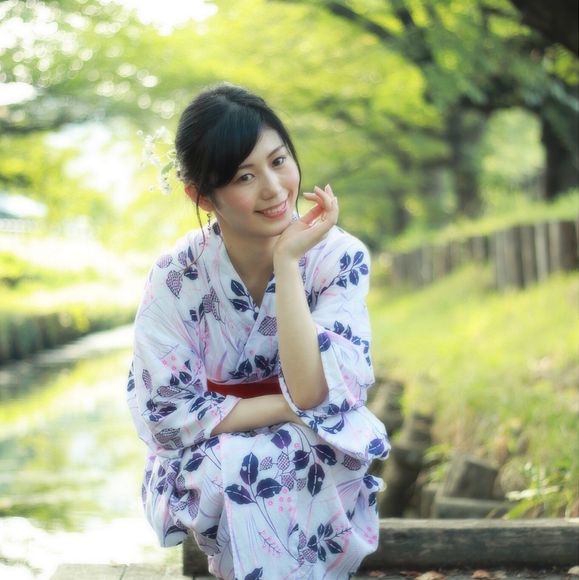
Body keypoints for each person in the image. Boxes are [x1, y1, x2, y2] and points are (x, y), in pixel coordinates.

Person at [127, 83, 390, 579]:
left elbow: (313, 392)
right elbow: (166, 415)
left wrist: (288, 264)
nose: (273, 188)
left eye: (278, 160)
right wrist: (288, 410)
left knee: (293, 451)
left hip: (314, 445)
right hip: (211, 452)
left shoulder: (338, 257)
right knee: (250, 462)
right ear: (201, 196)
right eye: (245, 176)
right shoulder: (175, 276)